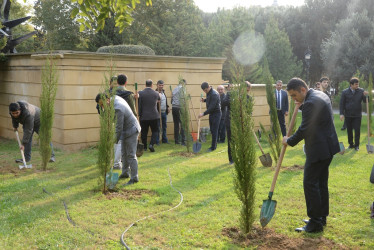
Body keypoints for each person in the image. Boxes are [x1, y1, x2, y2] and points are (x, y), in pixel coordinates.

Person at [282, 78, 340, 233]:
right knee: (321, 183)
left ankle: (315, 223)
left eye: (294, 95)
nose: (294, 99)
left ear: (302, 89)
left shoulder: (310, 103)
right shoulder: (320, 95)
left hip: (318, 150)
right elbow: (315, 115)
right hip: (327, 148)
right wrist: (301, 105)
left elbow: (305, 128)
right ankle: (321, 217)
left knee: (310, 183)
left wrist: (289, 140)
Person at [95, 93, 140, 185]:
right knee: (123, 153)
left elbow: (118, 127)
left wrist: (112, 142)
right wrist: (101, 111)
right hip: (125, 130)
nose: (102, 107)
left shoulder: (118, 108)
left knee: (131, 155)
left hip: (132, 129)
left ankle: (134, 178)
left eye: (102, 104)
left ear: (107, 100)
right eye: (100, 105)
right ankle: (125, 173)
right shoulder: (112, 99)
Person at [339, 77, 368, 151]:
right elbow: (341, 104)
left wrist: (366, 96)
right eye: (356, 84)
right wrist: (341, 113)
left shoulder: (361, 91)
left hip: (357, 115)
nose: (357, 86)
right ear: (351, 85)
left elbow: (365, 101)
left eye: (358, 84)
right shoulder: (345, 92)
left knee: (357, 130)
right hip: (348, 115)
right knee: (349, 130)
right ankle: (351, 144)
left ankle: (357, 146)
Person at [198, 82, 222, 152]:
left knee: (214, 130)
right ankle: (214, 144)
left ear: (208, 87)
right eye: (204, 91)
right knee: (212, 130)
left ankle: (213, 147)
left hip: (216, 114)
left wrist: (203, 114)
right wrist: (204, 100)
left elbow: (212, 107)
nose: (205, 92)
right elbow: (209, 100)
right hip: (212, 114)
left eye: (205, 90)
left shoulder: (214, 94)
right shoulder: (209, 92)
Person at [138, 79, 160, 152]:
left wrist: (139, 114)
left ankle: (144, 147)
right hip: (154, 116)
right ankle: (151, 144)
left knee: (144, 132)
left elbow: (139, 104)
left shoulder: (140, 93)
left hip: (144, 116)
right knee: (155, 131)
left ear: (145, 85)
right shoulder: (156, 93)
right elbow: (159, 100)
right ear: (152, 85)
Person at [171, 79, 186, 145]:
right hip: (180, 107)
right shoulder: (182, 89)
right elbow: (183, 99)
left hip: (174, 107)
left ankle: (176, 141)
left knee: (176, 124)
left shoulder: (174, 89)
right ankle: (183, 141)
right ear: (183, 83)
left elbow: (172, 99)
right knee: (182, 124)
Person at [155, 80, 170, 144]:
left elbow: (165, 101)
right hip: (157, 113)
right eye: (160, 85)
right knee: (158, 127)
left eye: (162, 85)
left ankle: (164, 140)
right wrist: (156, 102)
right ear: (157, 85)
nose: (161, 86)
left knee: (164, 127)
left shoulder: (163, 92)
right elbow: (152, 103)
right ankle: (157, 141)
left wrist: (167, 107)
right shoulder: (155, 93)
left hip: (164, 112)